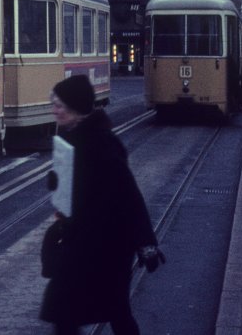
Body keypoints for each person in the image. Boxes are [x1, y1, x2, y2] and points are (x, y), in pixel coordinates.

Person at [40, 74, 164, 335]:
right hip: (83, 242)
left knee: (112, 311)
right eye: (54, 104)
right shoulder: (73, 137)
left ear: (75, 108)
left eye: (59, 105)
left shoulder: (101, 144)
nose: (55, 110)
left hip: (108, 247)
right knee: (73, 312)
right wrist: (58, 180)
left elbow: (128, 195)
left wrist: (146, 243)